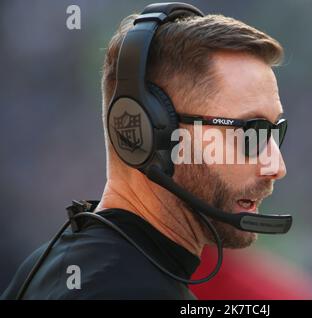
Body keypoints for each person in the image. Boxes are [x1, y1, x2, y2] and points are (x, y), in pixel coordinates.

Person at [2, 3, 288, 299]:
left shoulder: (44, 266)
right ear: (151, 132)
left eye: (276, 130)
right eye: (251, 132)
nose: (276, 165)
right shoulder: (134, 290)